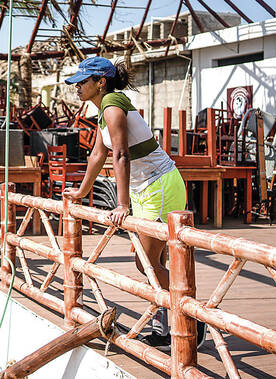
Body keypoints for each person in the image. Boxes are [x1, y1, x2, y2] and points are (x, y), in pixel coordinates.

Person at [61, 56, 205, 349]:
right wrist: (81, 192)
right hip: (144, 189)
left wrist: (122, 204)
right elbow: (98, 155)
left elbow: (121, 154)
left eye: (82, 82)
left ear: (100, 82)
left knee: (146, 263)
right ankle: (164, 328)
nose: (77, 87)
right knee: (156, 263)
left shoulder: (112, 104)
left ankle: (195, 318)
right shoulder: (104, 108)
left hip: (158, 185)